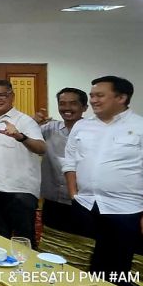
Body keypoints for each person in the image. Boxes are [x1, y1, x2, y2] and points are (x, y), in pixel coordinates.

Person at [63, 76, 143, 281]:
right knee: (83, 261)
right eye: (92, 95)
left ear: (121, 98)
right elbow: (70, 161)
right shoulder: (81, 126)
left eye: (100, 95)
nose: (93, 100)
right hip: (86, 205)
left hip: (126, 211)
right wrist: (73, 193)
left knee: (119, 267)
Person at [0, 80, 46, 244]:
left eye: (1, 95)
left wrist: (20, 137)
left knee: (23, 241)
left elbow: (41, 148)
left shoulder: (25, 121)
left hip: (20, 192)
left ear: (12, 96)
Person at [34, 87, 88, 234]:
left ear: (84, 107)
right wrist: (33, 122)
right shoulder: (49, 128)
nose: (67, 108)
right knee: (51, 238)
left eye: (73, 103)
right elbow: (24, 137)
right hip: (52, 198)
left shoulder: (94, 132)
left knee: (81, 241)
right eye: (62, 104)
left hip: (82, 200)